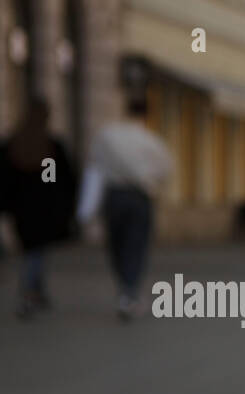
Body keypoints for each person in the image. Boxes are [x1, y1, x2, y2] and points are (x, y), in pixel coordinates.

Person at [77, 96, 173, 319]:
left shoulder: (107, 136)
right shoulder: (151, 140)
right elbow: (165, 169)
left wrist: (86, 208)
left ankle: (125, 288)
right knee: (136, 245)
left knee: (116, 244)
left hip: (114, 196)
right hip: (139, 198)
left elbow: (94, 168)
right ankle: (129, 292)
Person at [1, 98, 78, 318]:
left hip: (21, 210)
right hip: (41, 209)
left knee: (32, 250)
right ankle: (28, 293)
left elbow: (6, 181)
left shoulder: (13, 146)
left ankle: (37, 290)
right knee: (35, 252)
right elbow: (52, 180)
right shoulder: (48, 147)